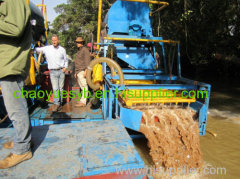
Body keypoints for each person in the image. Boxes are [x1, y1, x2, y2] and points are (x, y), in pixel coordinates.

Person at [0, 0, 32, 168]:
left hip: (10, 63)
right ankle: (22, 140)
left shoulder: (13, 1)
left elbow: (15, 28)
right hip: (7, 63)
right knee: (16, 107)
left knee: (15, 109)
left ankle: (23, 149)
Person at [36, 34, 68, 111]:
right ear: (51, 41)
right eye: (53, 40)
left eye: (55, 40)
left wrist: (65, 67)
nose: (54, 42)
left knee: (61, 88)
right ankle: (57, 104)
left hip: (61, 71)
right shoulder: (47, 48)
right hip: (53, 72)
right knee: (55, 89)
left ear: (58, 40)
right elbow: (36, 50)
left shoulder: (62, 49)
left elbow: (66, 59)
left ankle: (59, 103)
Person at [74, 37, 91, 107]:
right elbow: (78, 62)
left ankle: (83, 102)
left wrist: (86, 71)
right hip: (78, 71)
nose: (78, 43)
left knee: (84, 86)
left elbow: (87, 61)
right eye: (77, 42)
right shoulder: (79, 51)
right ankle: (82, 100)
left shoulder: (85, 50)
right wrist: (75, 72)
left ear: (82, 43)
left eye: (79, 42)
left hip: (82, 70)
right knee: (81, 86)